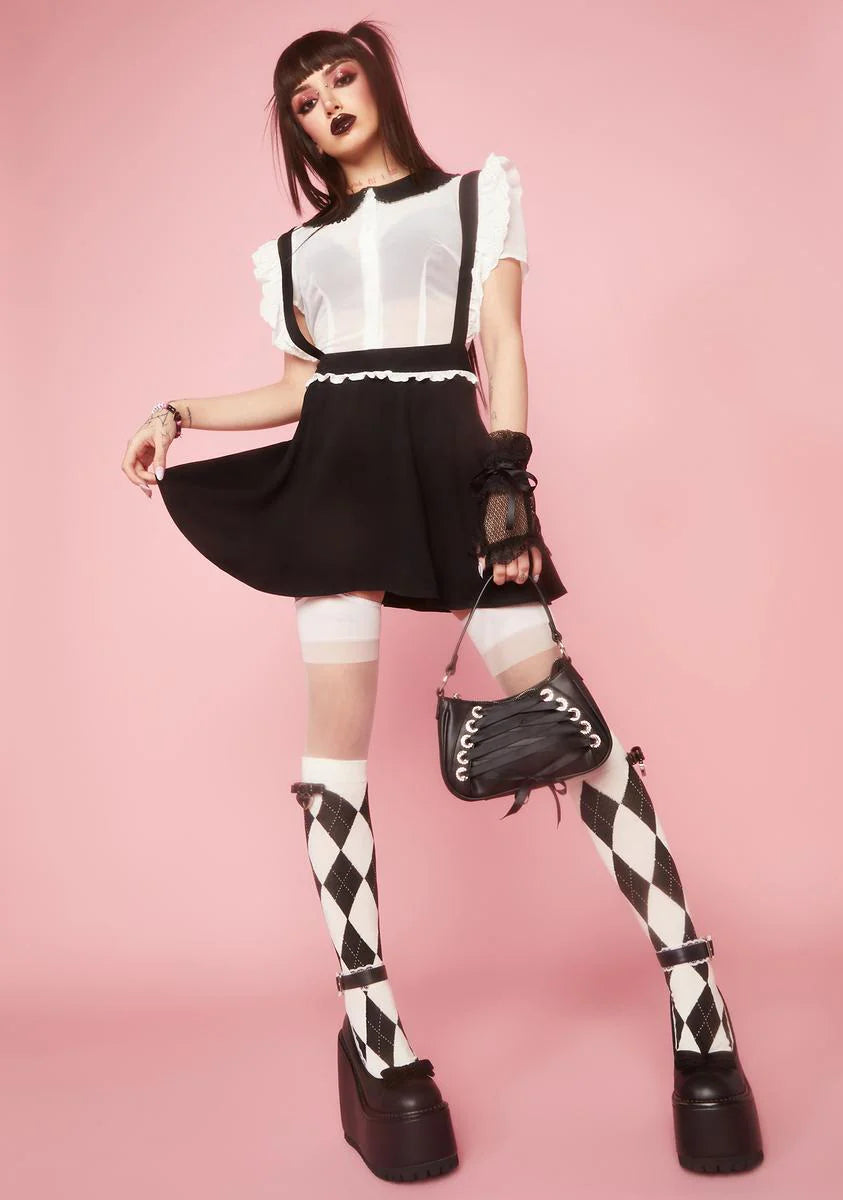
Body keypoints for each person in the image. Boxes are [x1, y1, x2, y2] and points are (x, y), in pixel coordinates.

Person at [121, 18, 764, 1185]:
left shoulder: (477, 198)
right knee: (335, 753)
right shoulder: (292, 254)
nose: (328, 105)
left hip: (458, 469)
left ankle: (697, 998)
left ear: (376, 82)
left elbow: (501, 342)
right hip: (336, 480)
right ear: (299, 132)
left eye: (340, 80)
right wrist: (177, 414)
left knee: (569, 720)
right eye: (304, 102)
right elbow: (300, 388)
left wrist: (509, 479)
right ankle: (374, 1031)